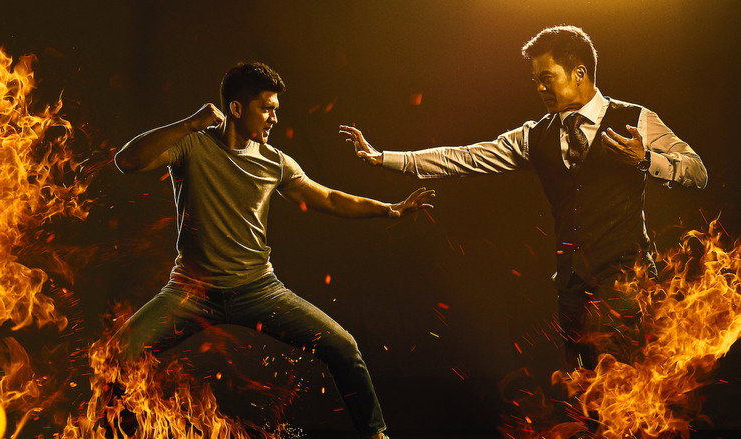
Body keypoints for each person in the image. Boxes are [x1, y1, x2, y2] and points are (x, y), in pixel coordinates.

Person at [340, 25, 707, 372]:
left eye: (547, 77)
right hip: (572, 284)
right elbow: (465, 157)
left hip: (626, 276)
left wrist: (646, 160)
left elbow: (697, 171)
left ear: (579, 73)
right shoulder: (534, 135)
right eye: (536, 80)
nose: (540, 88)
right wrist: (384, 158)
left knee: (626, 382)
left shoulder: (635, 119)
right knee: (584, 386)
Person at [114, 62, 435, 439]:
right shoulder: (191, 144)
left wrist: (388, 209)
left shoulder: (275, 162)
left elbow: (329, 198)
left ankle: (376, 435)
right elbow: (127, 161)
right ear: (237, 108)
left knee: (344, 347)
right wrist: (189, 123)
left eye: (276, 110)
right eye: (266, 108)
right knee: (118, 353)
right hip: (191, 291)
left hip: (258, 290)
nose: (274, 118)